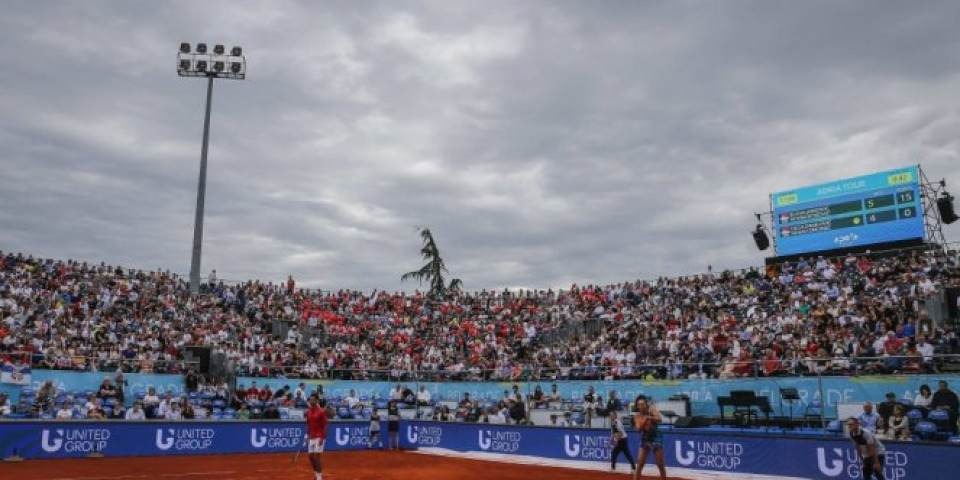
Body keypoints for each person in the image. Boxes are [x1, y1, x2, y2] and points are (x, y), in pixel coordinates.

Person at [633, 398, 666, 480]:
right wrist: (645, 420)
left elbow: (659, 419)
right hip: (645, 440)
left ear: (646, 405)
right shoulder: (637, 416)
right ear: (637, 406)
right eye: (639, 405)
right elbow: (638, 428)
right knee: (640, 464)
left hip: (656, 439)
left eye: (642, 404)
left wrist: (649, 417)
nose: (641, 406)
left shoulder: (652, 411)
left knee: (660, 464)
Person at [305, 394, 329, 480]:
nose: (311, 401)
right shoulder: (308, 411)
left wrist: (323, 438)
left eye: (313, 400)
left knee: (316, 457)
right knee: (311, 457)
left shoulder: (321, 412)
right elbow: (308, 424)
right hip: (311, 436)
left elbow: (325, 426)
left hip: (319, 437)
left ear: (317, 401)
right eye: (310, 400)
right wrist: (306, 435)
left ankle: (319, 477)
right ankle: (316, 473)